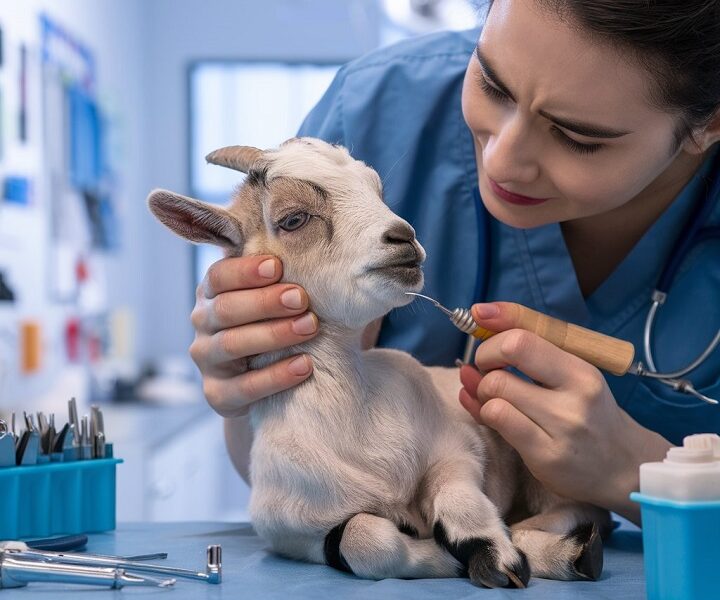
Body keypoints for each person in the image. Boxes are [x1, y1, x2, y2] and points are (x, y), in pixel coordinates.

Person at [189, 0, 720, 526]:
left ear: (709, 123)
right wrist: (253, 381)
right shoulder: (373, 113)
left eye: (577, 138)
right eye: (491, 84)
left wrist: (634, 470)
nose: (501, 161)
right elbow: (288, 482)